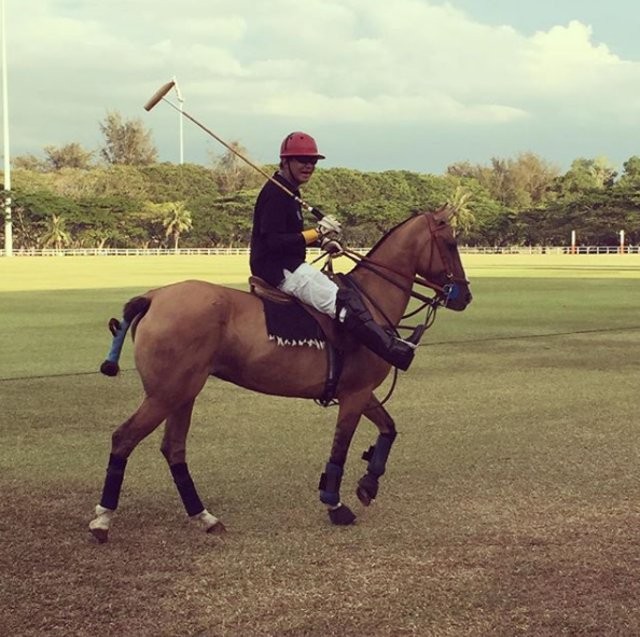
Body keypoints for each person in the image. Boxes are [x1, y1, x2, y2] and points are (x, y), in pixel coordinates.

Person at [249, 131, 416, 370]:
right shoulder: (276, 193)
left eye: (313, 161)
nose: (309, 166)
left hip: (287, 264)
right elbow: (274, 241)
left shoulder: (289, 190)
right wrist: (317, 232)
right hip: (278, 269)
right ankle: (391, 351)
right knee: (340, 300)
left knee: (344, 293)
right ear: (285, 161)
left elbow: (291, 237)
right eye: (301, 160)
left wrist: (322, 242)